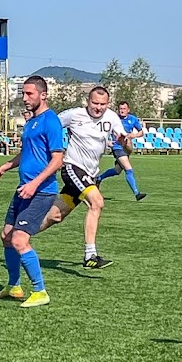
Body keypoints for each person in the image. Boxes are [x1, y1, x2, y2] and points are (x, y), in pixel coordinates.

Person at [0, 75, 64, 308]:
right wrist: (5, 166)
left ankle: (40, 291)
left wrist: (34, 184)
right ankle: (14, 286)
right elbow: (27, 154)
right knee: (7, 236)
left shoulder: (51, 121)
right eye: (23, 93)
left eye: (29, 93)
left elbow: (57, 160)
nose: (25, 98)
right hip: (24, 189)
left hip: (41, 191)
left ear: (43, 95)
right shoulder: (31, 122)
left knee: (20, 240)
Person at [38, 86, 129, 269]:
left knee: (55, 216)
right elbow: (49, 127)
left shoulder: (112, 118)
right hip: (73, 168)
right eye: (95, 103)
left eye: (103, 104)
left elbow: (127, 148)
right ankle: (90, 255)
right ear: (87, 101)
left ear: (108, 104)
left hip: (91, 174)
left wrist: (125, 143)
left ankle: (19, 234)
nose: (98, 108)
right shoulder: (74, 115)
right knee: (97, 202)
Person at [96, 101, 147, 201]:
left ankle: (99, 178)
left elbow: (141, 132)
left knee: (117, 170)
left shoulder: (133, 119)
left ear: (128, 110)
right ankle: (137, 193)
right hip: (117, 147)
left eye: (124, 109)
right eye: (120, 109)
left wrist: (134, 135)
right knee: (128, 169)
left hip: (127, 148)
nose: (122, 111)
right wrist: (108, 142)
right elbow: (101, 131)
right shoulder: (114, 119)